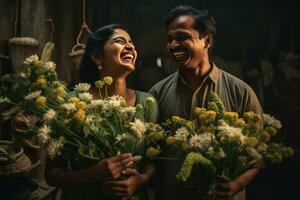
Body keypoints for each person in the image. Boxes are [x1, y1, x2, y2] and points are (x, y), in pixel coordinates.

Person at [149, 5, 263, 200]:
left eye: (183, 37)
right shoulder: (157, 94)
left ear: (207, 40)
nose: (173, 45)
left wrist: (237, 183)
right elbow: (151, 157)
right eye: (170, 39)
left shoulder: (241, 92)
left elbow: (258, 154)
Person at [46, 24, 158, 200]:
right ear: (98, 57)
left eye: (132, 43)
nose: (130, 46)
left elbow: (152, 160)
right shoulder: (72, 103)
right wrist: (92, 174)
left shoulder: (147, 103)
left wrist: (141, 180)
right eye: (120, 41)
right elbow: (51, 174)